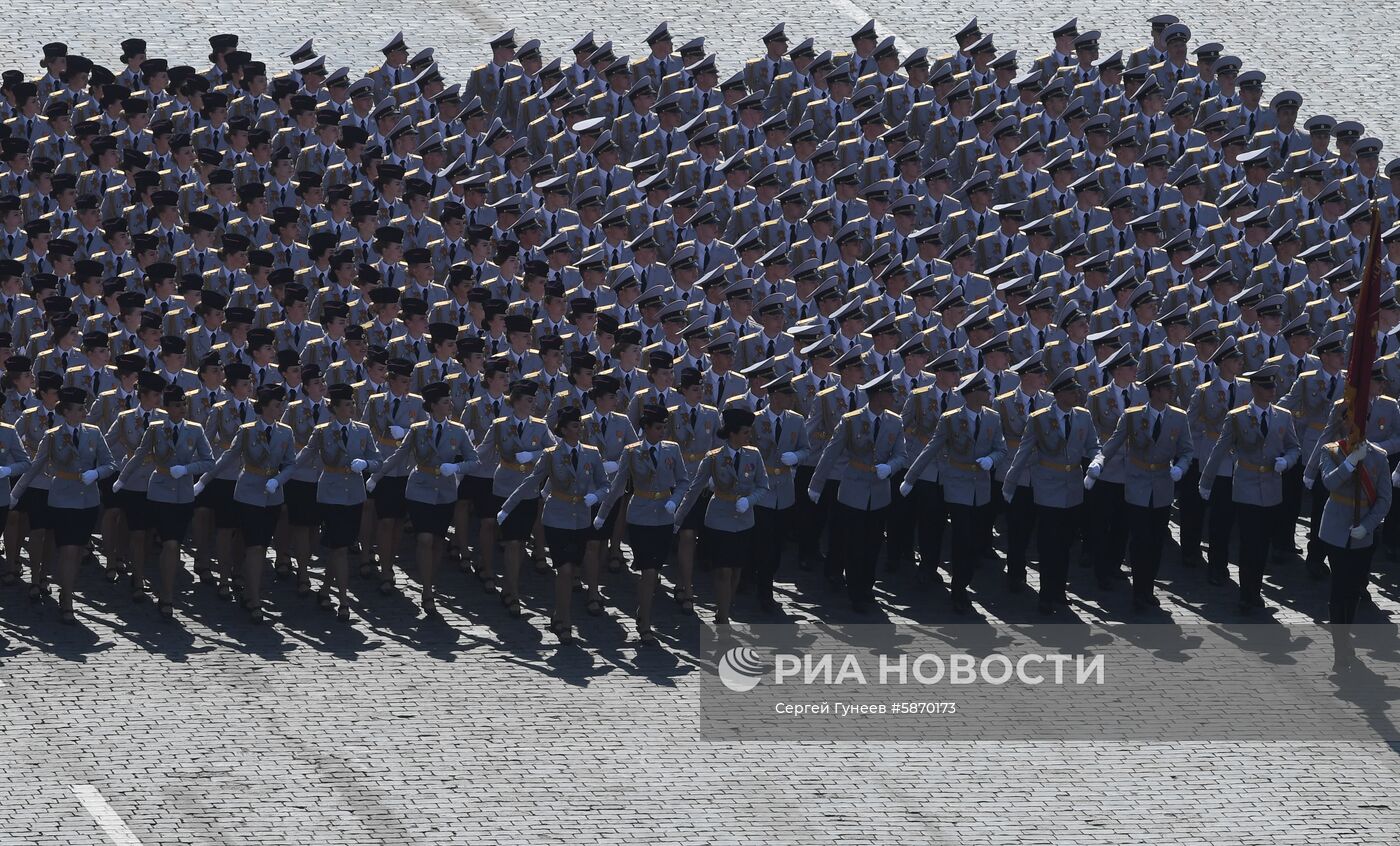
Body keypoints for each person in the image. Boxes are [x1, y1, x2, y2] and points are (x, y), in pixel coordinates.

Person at [1199, 365, 1301, 614]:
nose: (1271, 391)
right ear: (1255, 388)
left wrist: (1286, 461)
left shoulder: (1283, 416)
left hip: (1272, 487)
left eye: (1273, 386)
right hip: (1245, 487)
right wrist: (1206, 481)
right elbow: (1220, 449)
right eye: (1266, 387)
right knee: (1248, 543)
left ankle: (1255, 589)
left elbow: (1294, 447)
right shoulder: (1238, 416)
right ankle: (1247, 593)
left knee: (1263, 543)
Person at [1090, 365, 1192, 611]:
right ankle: (1138, 590)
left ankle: (1147, 586)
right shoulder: (1133, 415)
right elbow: (1114, 442)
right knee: (1139, 539)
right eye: (1168, 388)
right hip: (1137, 482)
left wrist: (1181, 467)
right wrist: (1099, 461)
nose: (1172, 392)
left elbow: (1187, 450)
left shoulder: (1179, 416)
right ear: (1155, 391)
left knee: (1156, 541)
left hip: (1162, 484)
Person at [10, 386, 116, 623]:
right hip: (62, 499)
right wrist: (15, 495)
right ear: (66, 412)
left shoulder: (94, 433)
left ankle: (65, 589)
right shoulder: (52, 436)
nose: (85, 412)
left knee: (77, 550)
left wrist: (96, 474)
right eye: (80, 409)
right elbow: (35, 466)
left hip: (88, 500)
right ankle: (67, 598)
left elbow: (110, 463)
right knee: (67, 549)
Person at [500, 405, 606, 642]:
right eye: (574, 426)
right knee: (565, 569)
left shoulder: (591, 453)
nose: (579, 430)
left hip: (581, 519)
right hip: (557, 517)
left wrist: (596, 496)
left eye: (580, 425)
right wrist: (507, 507)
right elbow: (532, 481)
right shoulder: (551, 454)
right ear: (564, 429)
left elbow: (604, 484)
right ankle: (566, 621)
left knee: (572, 570)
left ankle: (559, 613)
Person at [373, 380, 477, 615]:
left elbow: (474, 460)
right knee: (424, 539)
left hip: (446, 491)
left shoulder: (458, 431)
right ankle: (427, 589)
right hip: (420, 488)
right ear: (432, 405)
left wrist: (457, 468)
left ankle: (431, 580)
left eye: (449, 401)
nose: (450, 405)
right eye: (444, 402)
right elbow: (399, 456)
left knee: (438, 541)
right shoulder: (418, 429)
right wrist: (376, 477)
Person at [904, 371, 1004, 614]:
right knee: (959, 537)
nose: (989, 394)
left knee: (972, 540)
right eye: (985, 390)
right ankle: (957, 588)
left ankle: (963, 580)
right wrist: (910, 477)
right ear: (972, 394)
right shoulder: (950, 419)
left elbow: (1000, 448)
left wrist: (992, 459)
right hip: (955, 483)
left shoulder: (992, 418)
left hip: (979, 487)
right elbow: (931, 448)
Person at [113, 384, 215, 619]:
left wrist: (187, 469)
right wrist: (122, 479)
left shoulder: (195, 430)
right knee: (145, 538)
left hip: (182, 495)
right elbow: (140, 455)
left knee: (172, 544)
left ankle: (167, 595)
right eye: (176, 405)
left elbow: (209, 462)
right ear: (166, 408)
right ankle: (139, 579)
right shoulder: (156, 429)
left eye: (183, 405)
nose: (181, 409)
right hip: (158, 492)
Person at [198, 384, 298, 622]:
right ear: (263, 407)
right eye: (276, 405)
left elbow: (291, 463)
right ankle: (254, 598)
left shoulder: (285, 432)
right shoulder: (247, 430)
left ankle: (246, 585)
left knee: (261, 545)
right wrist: (204, 480)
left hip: (273, 496)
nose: (280, 409)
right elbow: (228, 457)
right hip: (249, 493)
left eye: (281, 404)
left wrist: (278, 480)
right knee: (255, 547)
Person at [1002, 371, 1099, 615]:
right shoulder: (1039, 418)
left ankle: (1058, 590)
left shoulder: (1083, 417)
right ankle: (1046, 594)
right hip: (1046, 487)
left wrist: (1097, 461)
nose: (1078, 394)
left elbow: (1093, 445)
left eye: (1078, 390)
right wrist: (1010, 484)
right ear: (1059, 395)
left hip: (1073, 487)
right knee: (1048, 543)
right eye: (1072, 391)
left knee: (1066, 543)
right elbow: (1023, 452)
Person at [595, 402, 689, 644]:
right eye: (658, 427)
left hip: (664, 515)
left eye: (664, 427)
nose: (662, 432)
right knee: (647, 570)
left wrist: (675, 501)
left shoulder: (672, 449)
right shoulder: (632, 451)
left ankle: (643, 612)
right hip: (640, 515)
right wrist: (603, 514)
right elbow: (618, 486)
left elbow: (683, 481)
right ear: (646, 428)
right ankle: (646, 621)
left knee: (655, 570)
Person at [291, 382, 380, 620]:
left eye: (353, 404)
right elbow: (303, 457)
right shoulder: (322, 431)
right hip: (330, 493)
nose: (352, 408)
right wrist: (280, 475)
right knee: (339, 548)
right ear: (336, 408)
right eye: (347, 404)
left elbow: (377, 459)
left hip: (354, 494)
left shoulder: (363, 430)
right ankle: (343, 600)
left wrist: (367, 465)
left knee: (339, 545)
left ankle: (325, 588)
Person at [675, 406, 769, 625]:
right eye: (745, 432)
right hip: (719, 519)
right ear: (733, 433)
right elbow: (695, 489)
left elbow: (763, 486)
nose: (749, 436)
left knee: (736, 569)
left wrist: (749, 500)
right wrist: (678, 519)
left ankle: (727, 603)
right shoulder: (713, 457)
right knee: (723, 570)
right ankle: (723, 614)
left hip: (744, 520)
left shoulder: (753, 455)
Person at [476, 378, 553, 617]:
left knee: (519, 541)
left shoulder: (540, 426)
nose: (533, 404)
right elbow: (482, 451)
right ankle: (513, 591)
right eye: (529, 400)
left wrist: (533, 454)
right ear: (517, 401)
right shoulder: (499, 425)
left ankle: (509, 587)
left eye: (534, 400)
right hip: (505, 486)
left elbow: (555, 450)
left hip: (528, 488)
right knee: (511, 540)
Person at [1319, 437, 1393, 670]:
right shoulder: (1331, 451)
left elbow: (1384, 499)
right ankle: (1340, 647)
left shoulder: (1379, 456)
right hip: (1336, 529)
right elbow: (1329, 483)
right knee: (1338, 589)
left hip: (1363, 533)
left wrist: (1368, 526)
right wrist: (1350, 461)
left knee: (1353, 590)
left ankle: (1345, 635)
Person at [749, 372, 809, 614]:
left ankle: (763, 577)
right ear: (774, 396)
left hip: (784, 489)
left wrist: (796, 457)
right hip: (762, 489)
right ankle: (764, 590)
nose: (792, 399)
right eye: (787, 395)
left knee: (778, 543)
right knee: (764, 543)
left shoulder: (796, 421)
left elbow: (806, 447)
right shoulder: (755, 420)